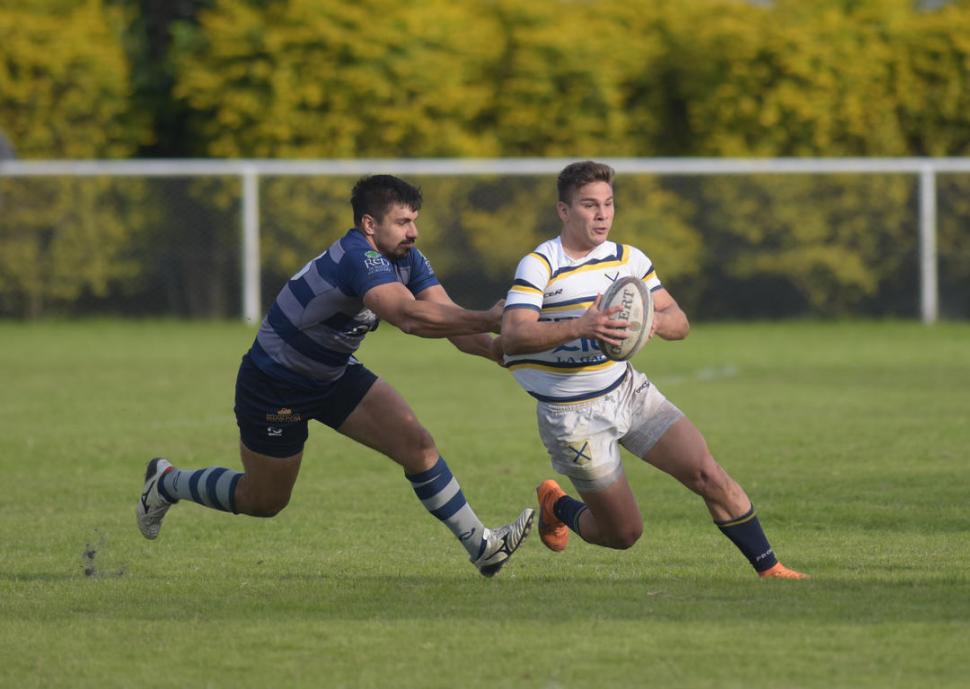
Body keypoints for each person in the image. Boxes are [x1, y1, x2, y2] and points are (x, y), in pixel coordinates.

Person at [137, 174, 533, 577]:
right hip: (276, 383)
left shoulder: (406, 258)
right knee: (264, 500)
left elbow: (451, 320)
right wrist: (489, 318)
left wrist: (501, 351)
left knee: (417, 445)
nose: (413, 232)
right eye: (402, 222)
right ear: (369, 224)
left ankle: (483, 547)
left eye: (414, 221)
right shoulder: (357, 258)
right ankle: (168, 482)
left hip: (332, 372)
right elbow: (409, 317)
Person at [497, 160, 806, 580]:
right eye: (589, 205)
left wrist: (652, 322)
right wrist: (582, 326)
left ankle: (771, 570)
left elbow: (680, 322)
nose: (602, 214)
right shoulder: (540, 264)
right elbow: (513, 336)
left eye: (608, 204)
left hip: (628, 391)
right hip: (573, 416)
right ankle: (558, 505)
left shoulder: (628, 259)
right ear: (564, 211)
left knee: (708, 473)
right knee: (623, 533)